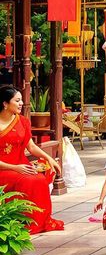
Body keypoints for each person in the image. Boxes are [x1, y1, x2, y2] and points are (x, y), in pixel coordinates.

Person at [0, 85, 63, 234]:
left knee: (39, 179)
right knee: (29, 180)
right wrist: (15, 168)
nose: (21, 103)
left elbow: (31, 147)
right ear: (5, 103)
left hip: (20, 165)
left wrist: (49, 158)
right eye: (17, 101)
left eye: (21, 100)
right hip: (4, 168)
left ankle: (38, 222)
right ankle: (22, 222)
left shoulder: (22, 121)